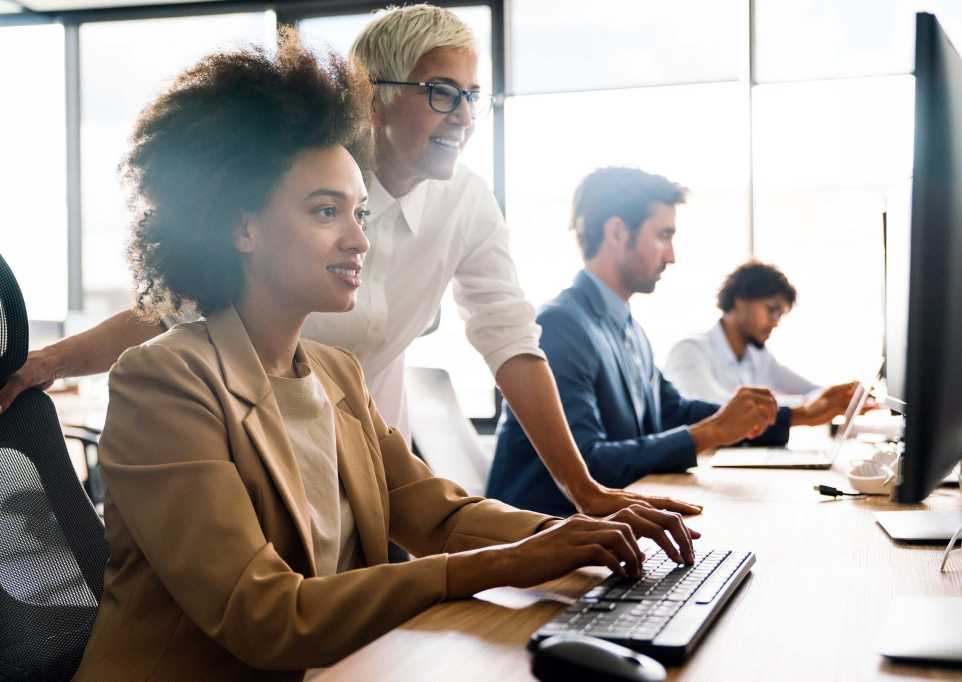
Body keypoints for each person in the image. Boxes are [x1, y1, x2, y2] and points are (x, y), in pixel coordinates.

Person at [71, 34, 700, 681]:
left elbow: (441, 516)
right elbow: (264, 614)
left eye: (360, 213)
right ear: (241, 228)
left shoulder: (335, 374)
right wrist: (503, 564)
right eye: (325, 212)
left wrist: (571, 537)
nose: (358, 239)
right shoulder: (164, 383)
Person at [0, 3, 698, 524]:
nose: (461, 114)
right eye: (439, 92)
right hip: (251, 453)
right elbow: (172, 310)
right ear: (375, 95)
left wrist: (585, 495)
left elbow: (510, 341)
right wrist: (46, 363)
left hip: (365, 459)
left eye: (471, 96)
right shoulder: (301, 192)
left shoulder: (468, 204)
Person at [486, 167, 848, 516]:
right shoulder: (560, 326)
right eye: (663, 235)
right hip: (545, 536)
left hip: (606, 527)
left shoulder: (628, 328)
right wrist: (713, 431)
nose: (671, 256)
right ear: (617, 232)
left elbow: (674, 412)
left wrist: (800, 415)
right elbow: (588, 464)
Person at [664, 261, 855, 412]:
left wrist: (843, 396)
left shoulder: (759, 357)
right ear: (740, 300)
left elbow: (813, 391)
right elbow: (715, 412)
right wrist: (807, 406)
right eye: (771, 310)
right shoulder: (690, 351)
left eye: (780, 314)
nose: (775, 322)